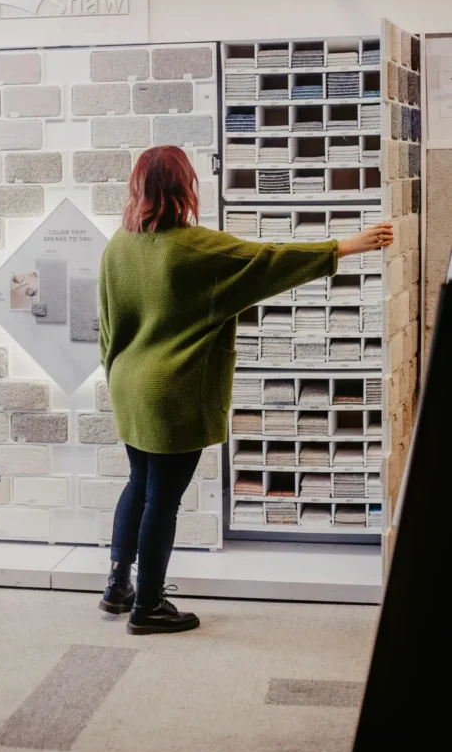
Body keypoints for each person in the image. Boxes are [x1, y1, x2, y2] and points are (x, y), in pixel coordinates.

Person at [97, 145, 393, 635]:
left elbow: (107, 329)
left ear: (138, 187)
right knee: (162, 499)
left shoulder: (117, 246)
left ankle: (117, 587)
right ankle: (148, 606)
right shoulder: (194, 248)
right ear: (184, 187)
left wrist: (116, 376)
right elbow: (267, 261)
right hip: (170, 390)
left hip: (127, 385)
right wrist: (345, 246)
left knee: (138, 484)